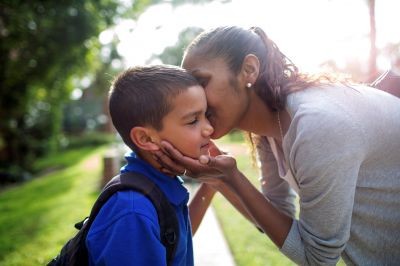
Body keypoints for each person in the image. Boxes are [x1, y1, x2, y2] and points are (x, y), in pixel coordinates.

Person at [153, 26, 400, 265]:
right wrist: (219, 179)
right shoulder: (271, 128)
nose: (194, 99)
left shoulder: (315, 125)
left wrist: (232, 178)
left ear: (249, 69)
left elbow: (318, 258)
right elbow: (273, 218)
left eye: (200, 82)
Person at [86, 65, 214, 265]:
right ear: (146, 138)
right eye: (192, 121)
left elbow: (175, 241)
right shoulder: (133, 214)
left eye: (207, 115)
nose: (209, 128)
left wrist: (211, 184)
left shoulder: (160, 183)